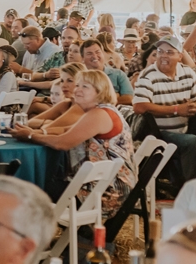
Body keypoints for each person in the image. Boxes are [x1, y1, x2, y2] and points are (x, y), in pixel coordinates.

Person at [13, 69, 136, 215]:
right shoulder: (101, 111)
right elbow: (66, 130)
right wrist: (36, 132)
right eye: (78, 85)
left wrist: (30, 136)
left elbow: (62, 143)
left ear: (100, 91)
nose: (77, 90)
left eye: (85, 86)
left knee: (29, 185)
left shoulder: (99, 114)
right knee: (43, 178)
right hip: (106, 185)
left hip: (107, 193)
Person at [133, 36, 196, 181]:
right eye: (160, 51)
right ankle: (190, 190)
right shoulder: (148, 75)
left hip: (184, 129)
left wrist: (194, 106)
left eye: (169, 52)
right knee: (192, 142)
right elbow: (139, 106)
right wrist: (176, 109)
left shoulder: (187, 72)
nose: (163, 56)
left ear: (180, 56)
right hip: (158, 133)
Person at [79, 39, 132, 105]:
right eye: (89, 53)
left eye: (97, 52)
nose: (95, 56)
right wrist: (114, 96)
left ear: (103, 53)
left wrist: (94, 100)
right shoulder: (79, 78)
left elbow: (130, 99)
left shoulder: (118, 74)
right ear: (82, 58)